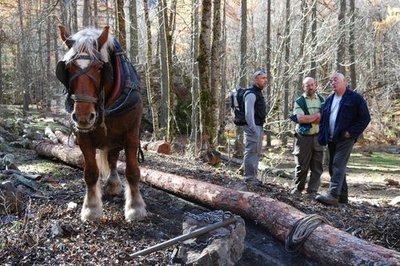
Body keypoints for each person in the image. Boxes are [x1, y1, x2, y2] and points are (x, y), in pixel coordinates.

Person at [316, 72, 370, 206]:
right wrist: (323, 135)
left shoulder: (355, 98)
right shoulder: (329, 100)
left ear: (344, 81)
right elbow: (324, 120)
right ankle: (343, 198)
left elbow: (365, 118)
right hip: (331, 138)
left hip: (345, 138)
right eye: (330, 81)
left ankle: (333, 195)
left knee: (338, 163)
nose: (332, 83)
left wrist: (351, 132)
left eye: (335, 80)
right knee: (333, 166)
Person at [290, 77, 324, 196]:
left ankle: (312, 191)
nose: (310, 87)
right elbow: (300, 119)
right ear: (303, 87)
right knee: (302, 166)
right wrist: (317, 117)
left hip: (318, 137)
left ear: (315, 85)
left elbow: (324, 118)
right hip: (303, 138)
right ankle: (298, 189)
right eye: (307, 85)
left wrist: (309, 118)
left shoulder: (322, 100)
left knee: (317, 166)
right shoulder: (299, 101)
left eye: (312, 84)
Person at [243, 70, 268, 184]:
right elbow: (248, 114)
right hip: (253, 127)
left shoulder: (258, 92)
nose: (265, 80)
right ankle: (249, 178)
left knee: (256, 152)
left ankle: (253, 177)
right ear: (256, 79)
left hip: (258, 127)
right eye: (262, 78)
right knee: (251, 152)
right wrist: (253, 129)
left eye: (265, 78)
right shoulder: (251, 93)